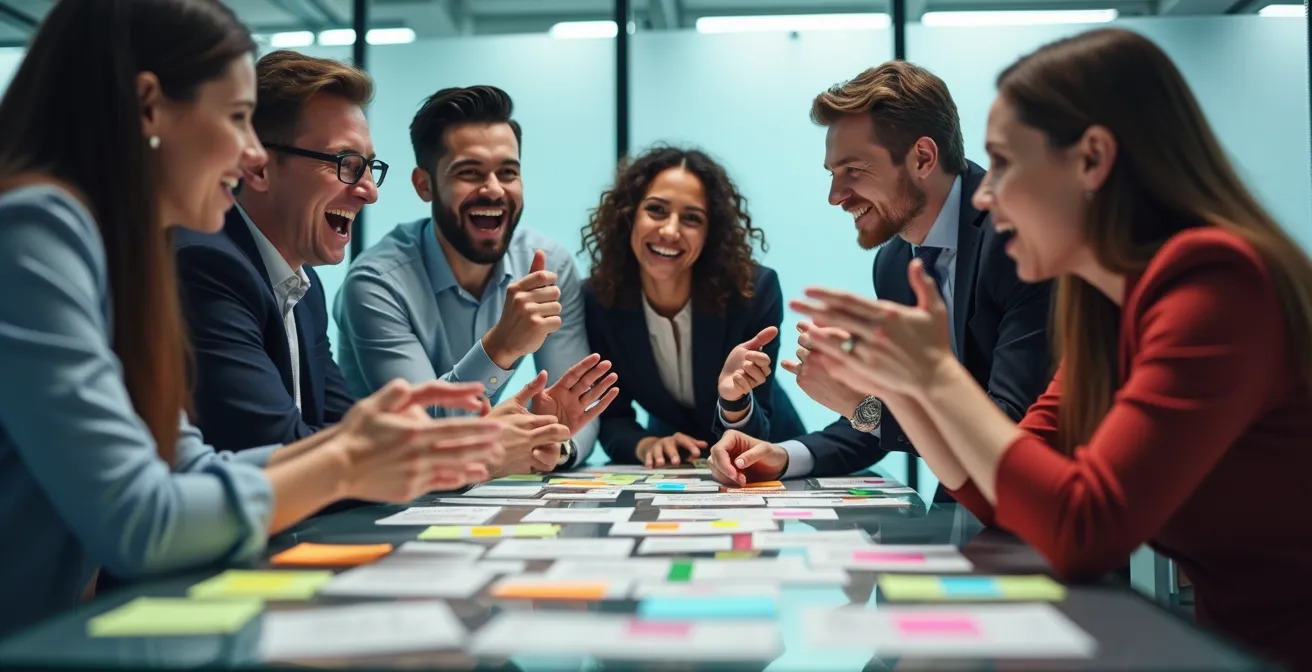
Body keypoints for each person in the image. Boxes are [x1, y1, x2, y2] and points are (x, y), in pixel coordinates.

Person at [792, 28, 1312, 669]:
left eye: (1005, 163)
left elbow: (1081, 528)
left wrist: (926, 384)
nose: (984, 194)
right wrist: (901, 392)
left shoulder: (1213, 282)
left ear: (1092, 160)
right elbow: (1002, 491)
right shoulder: (1108, 306)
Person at [0, 0, 501, 638]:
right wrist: (346, 458)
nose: (249, 156)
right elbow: (143, 522)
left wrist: (359, 446)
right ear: (149, 107)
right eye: (238, 120)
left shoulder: (122, 255)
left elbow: (188, 468)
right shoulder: (38, 229)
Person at [708, 62, 1052, 499]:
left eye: (854, 170)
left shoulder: (1017, 239)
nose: (835, 197)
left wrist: (858, 404)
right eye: (833, 174)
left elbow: (1008, 422)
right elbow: (888, 420)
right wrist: (783, 455)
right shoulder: (892, 262)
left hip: (1043, 508)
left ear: (923, 158)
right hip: (967, 504)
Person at [335, 85, 617, 474]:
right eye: (469, 173)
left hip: (479, 486)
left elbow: (575, 406)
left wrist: (557, 444)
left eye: (508, 172)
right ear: (424, 185)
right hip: (380, 491)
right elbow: (422, 431)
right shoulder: (376, 284)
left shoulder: (548, 265)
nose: (494, 189)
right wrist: (501, 346)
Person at [172, 50, 371, 452]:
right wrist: (465, 454)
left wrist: (471, 443)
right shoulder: (205, 266)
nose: (369, 190)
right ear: (259, 168)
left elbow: (345, 431)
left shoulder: (305, 285)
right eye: (347, 163)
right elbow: (278, 448)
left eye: (369, 166)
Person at [581, 146, 806, 467]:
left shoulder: (753, 292)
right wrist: (645, 444)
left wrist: (735, 403)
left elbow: (760, 412)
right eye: (656, 210)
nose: (670, 231)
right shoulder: (599, 299)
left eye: (691, 218)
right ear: (628, 215)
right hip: (673, 460)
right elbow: (611, 412)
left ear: (710, 233)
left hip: (765, 454)